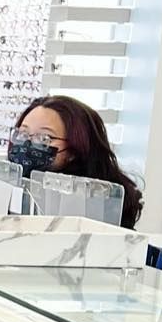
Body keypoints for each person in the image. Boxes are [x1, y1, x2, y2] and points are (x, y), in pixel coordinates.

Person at [10, 95, 143, 228]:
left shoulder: (91, 205)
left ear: (75, 149)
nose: (27, 143)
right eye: (23, 133)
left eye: (45, 138)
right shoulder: (13, 187)